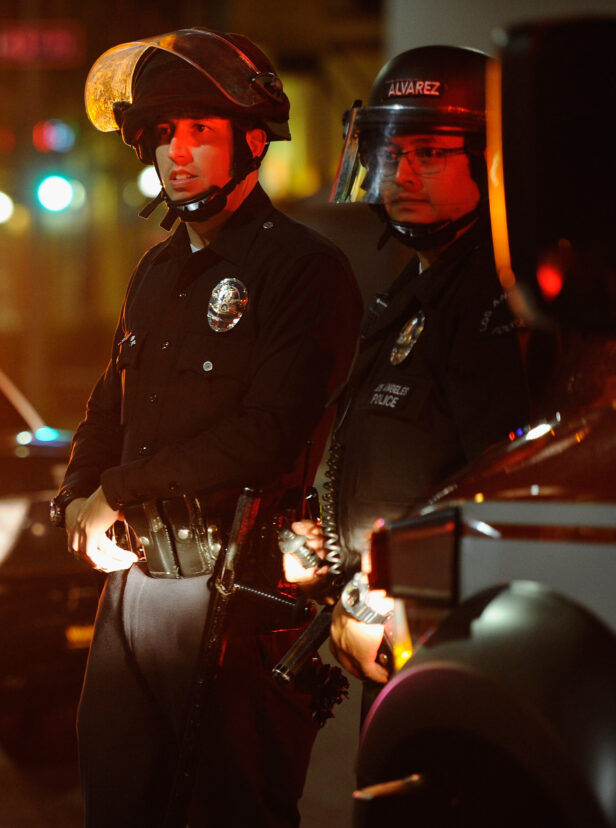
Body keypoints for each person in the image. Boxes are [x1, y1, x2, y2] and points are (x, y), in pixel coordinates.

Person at [50, 28, 361, 827]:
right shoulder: (155, 271)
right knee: (118, 798)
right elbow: (107, 410)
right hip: (133, 583)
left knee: (232, 807)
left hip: (236, 591)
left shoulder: (303, 269)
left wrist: (116, 490)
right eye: (162, 136)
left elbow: (267, 433)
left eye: (200, 132)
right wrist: (80, 496)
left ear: (252, 141)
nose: (176, 154)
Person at [285, 45, 533, 705]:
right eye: (390, 154)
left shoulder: (494, 301)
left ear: (489, 162)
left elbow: (497, 478)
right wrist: (325, 530)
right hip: (394, 623)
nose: (401, 173)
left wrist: (385, 597)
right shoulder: (411, 294)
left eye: (429, 152)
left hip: (448, 633)